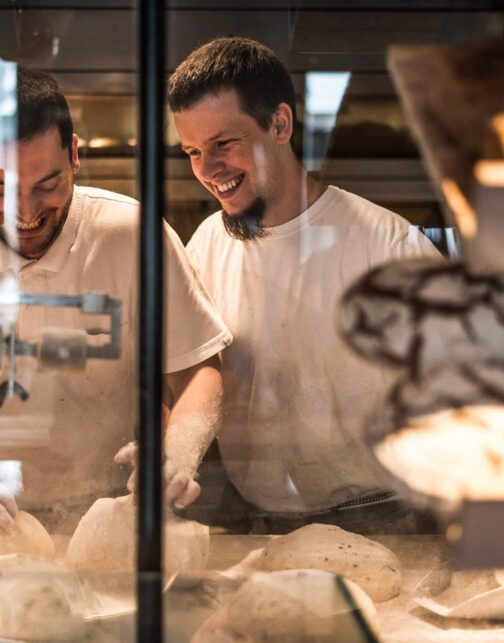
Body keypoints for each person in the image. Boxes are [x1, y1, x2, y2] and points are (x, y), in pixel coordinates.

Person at [0, 67, 231, 545]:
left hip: (110, 521)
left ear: (75, 155)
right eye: (0, 188)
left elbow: (198, 371)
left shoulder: (131, 236)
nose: (25, 213)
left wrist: (177, 453)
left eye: (47, 183)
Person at [167, 37, 442, 535]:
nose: (207, 170)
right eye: (193, 151)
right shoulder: (206, 244)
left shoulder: (389, 246)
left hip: (383, 518)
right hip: (257, 519)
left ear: (280, 124)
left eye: (224, 144)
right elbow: (186, 374)